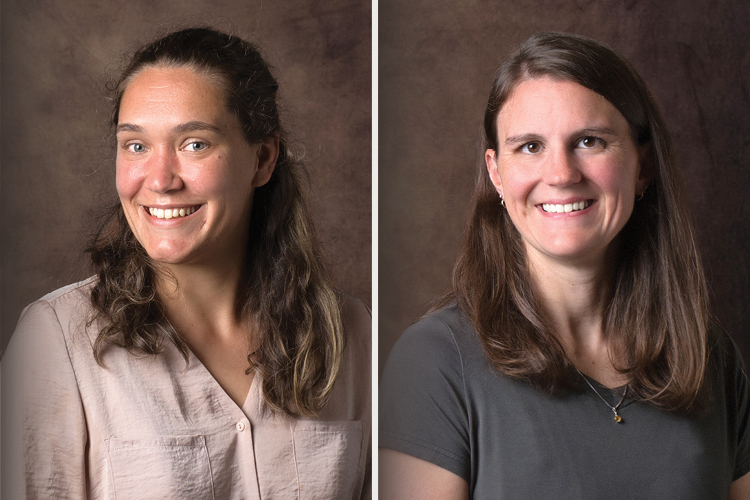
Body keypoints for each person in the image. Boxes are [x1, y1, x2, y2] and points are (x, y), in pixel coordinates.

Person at [2, 27, 371, 499]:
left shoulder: (352, 334)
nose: (159, 180)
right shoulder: (55, 342)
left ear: (262, 159)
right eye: (136, 145)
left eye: (194, 143)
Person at [379, 32, 750, 499]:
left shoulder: (708, 357)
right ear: (497, 173)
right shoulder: (434, 364)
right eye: (530, 147)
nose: (560, 174)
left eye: (589, 141)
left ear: (644, 167)